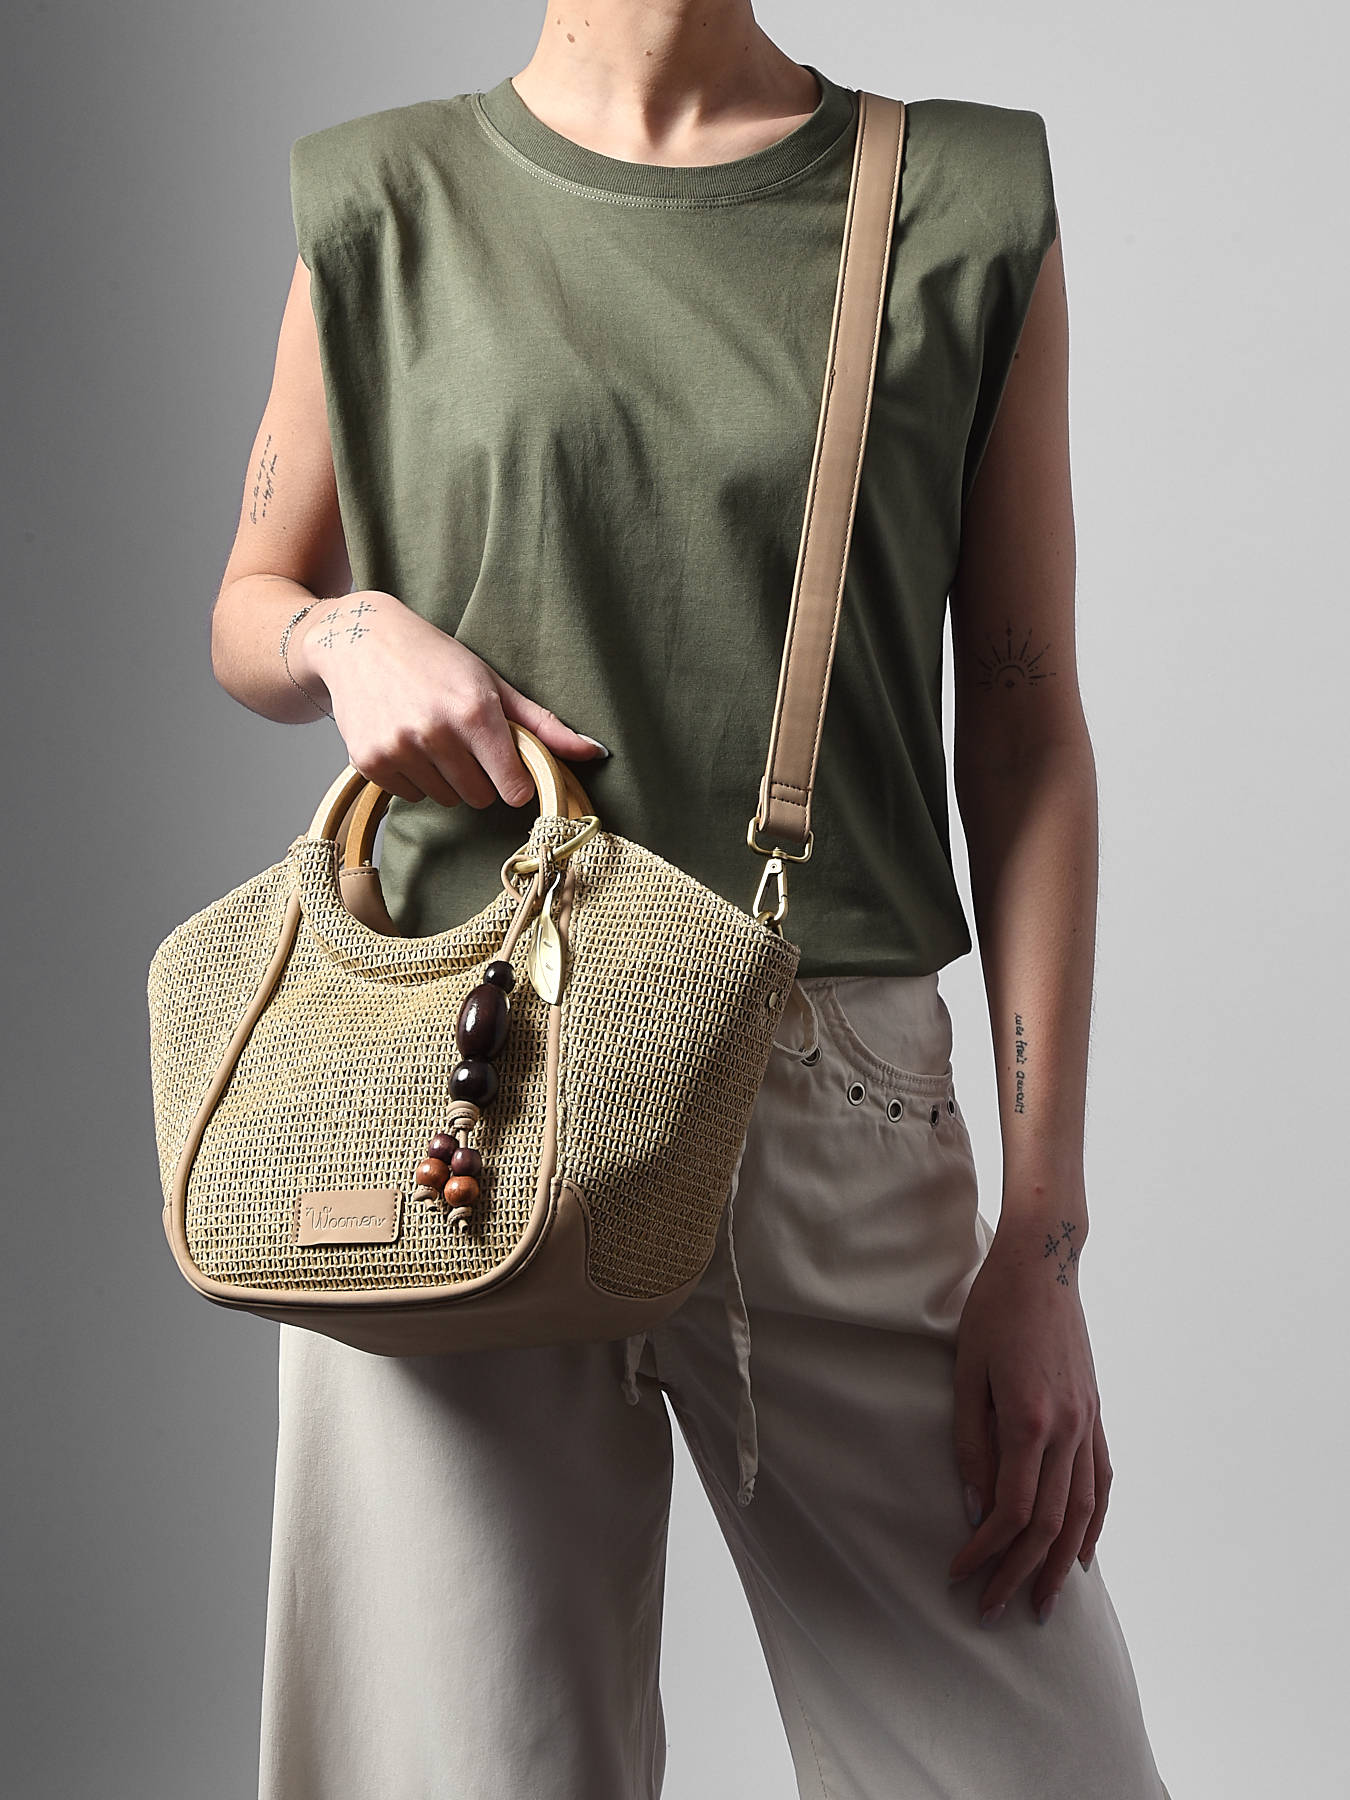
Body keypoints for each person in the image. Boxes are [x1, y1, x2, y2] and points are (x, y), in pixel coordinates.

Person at [210, 4, 1172, 1796]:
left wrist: (1041, 1237)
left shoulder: (956, 198)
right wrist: (347, 632)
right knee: (459, 1769)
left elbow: (1026, 727)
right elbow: (252, 601)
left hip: (823, 1087)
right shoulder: (384, 199)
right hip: (458, 1093)